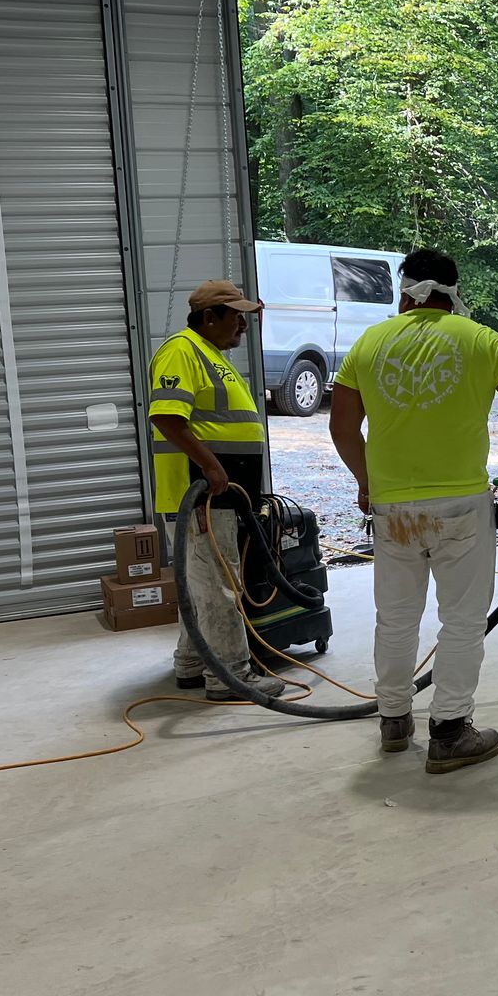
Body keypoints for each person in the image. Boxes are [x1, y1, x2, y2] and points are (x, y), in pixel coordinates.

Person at [329, 249, 498, 775]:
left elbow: (341, 426)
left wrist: (367, 482)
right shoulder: (481, 340)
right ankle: (450, 731)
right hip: (460, 507)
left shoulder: (369, 342)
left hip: (394, 510)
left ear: (405, 292)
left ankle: (394, 720)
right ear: (453, 291)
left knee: (396, 617)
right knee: (463, 620)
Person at [147, 278, 289, 701]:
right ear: (209, 317)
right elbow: (167, 417)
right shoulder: (182, 350)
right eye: (237, 318)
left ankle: (193, 664)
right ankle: (232, 674)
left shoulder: (208, 353)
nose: (243, 327)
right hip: (204, 492)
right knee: (220, 585)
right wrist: (210, 466)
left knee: (200, 585)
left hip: (218, 492)